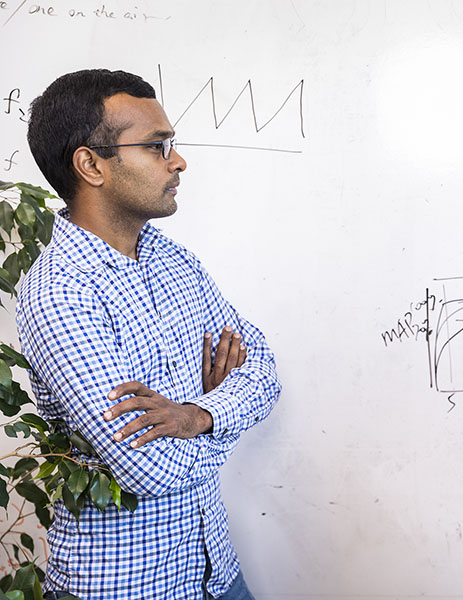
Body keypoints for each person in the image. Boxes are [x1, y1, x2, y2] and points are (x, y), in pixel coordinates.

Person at [17, 69, 281, 599]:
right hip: (122, 588)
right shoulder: (59, 292)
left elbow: (265, 370)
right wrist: (223, 413)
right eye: (158, 146)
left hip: (215, 573)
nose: (178, 161)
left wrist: (198, 415)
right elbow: (148, 468)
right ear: (91, 164)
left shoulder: (174, 260)